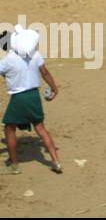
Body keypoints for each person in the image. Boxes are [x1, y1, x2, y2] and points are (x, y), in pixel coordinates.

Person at [2, 27, 62, 175]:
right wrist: (54, 88)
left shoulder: (8, 60)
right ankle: (55, 161)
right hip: (34, 96)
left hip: (19, 98)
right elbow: (45, 72)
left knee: (9, 128)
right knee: (40, 128)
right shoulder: (35, 55)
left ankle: (14, 165)